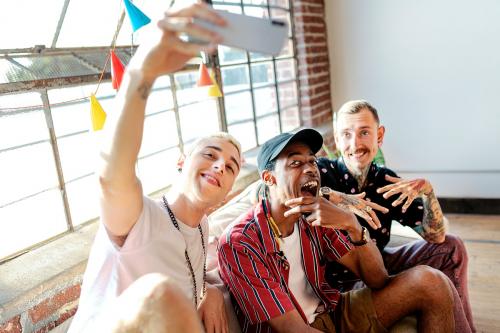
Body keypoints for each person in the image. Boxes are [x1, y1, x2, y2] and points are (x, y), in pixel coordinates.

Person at [69, 4, 240, 332]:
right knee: (161, 292)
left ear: (228, 190)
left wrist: (212, 293)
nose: (220, 164)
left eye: (231, 166)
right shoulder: (139, 218)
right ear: (180, 162)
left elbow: (186, 271)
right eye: (210, 154)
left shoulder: (201, 230)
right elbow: (111, 178)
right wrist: (143, 73)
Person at [218, 128, 458, 333]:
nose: (310, 168)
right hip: (299, 327)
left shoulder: (317, 214)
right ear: (269, 178)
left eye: (312, 161)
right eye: (295, 163)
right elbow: (293, 329)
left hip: (333, 311)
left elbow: (378, 279)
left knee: (432, 281)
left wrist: (351, 224)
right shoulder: (241, 242)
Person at [317, 100, 474, 332]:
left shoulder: (385, 181)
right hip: (345, 284)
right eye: (346, 134)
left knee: (452, 247)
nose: (355, 143)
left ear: (379, 136)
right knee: (429, 280)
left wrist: (428, 193)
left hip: (381, 264)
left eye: (364, 133)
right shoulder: (322, 172)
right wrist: (344, 200)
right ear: (338, 140)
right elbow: (284, 192)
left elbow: (437, 237)